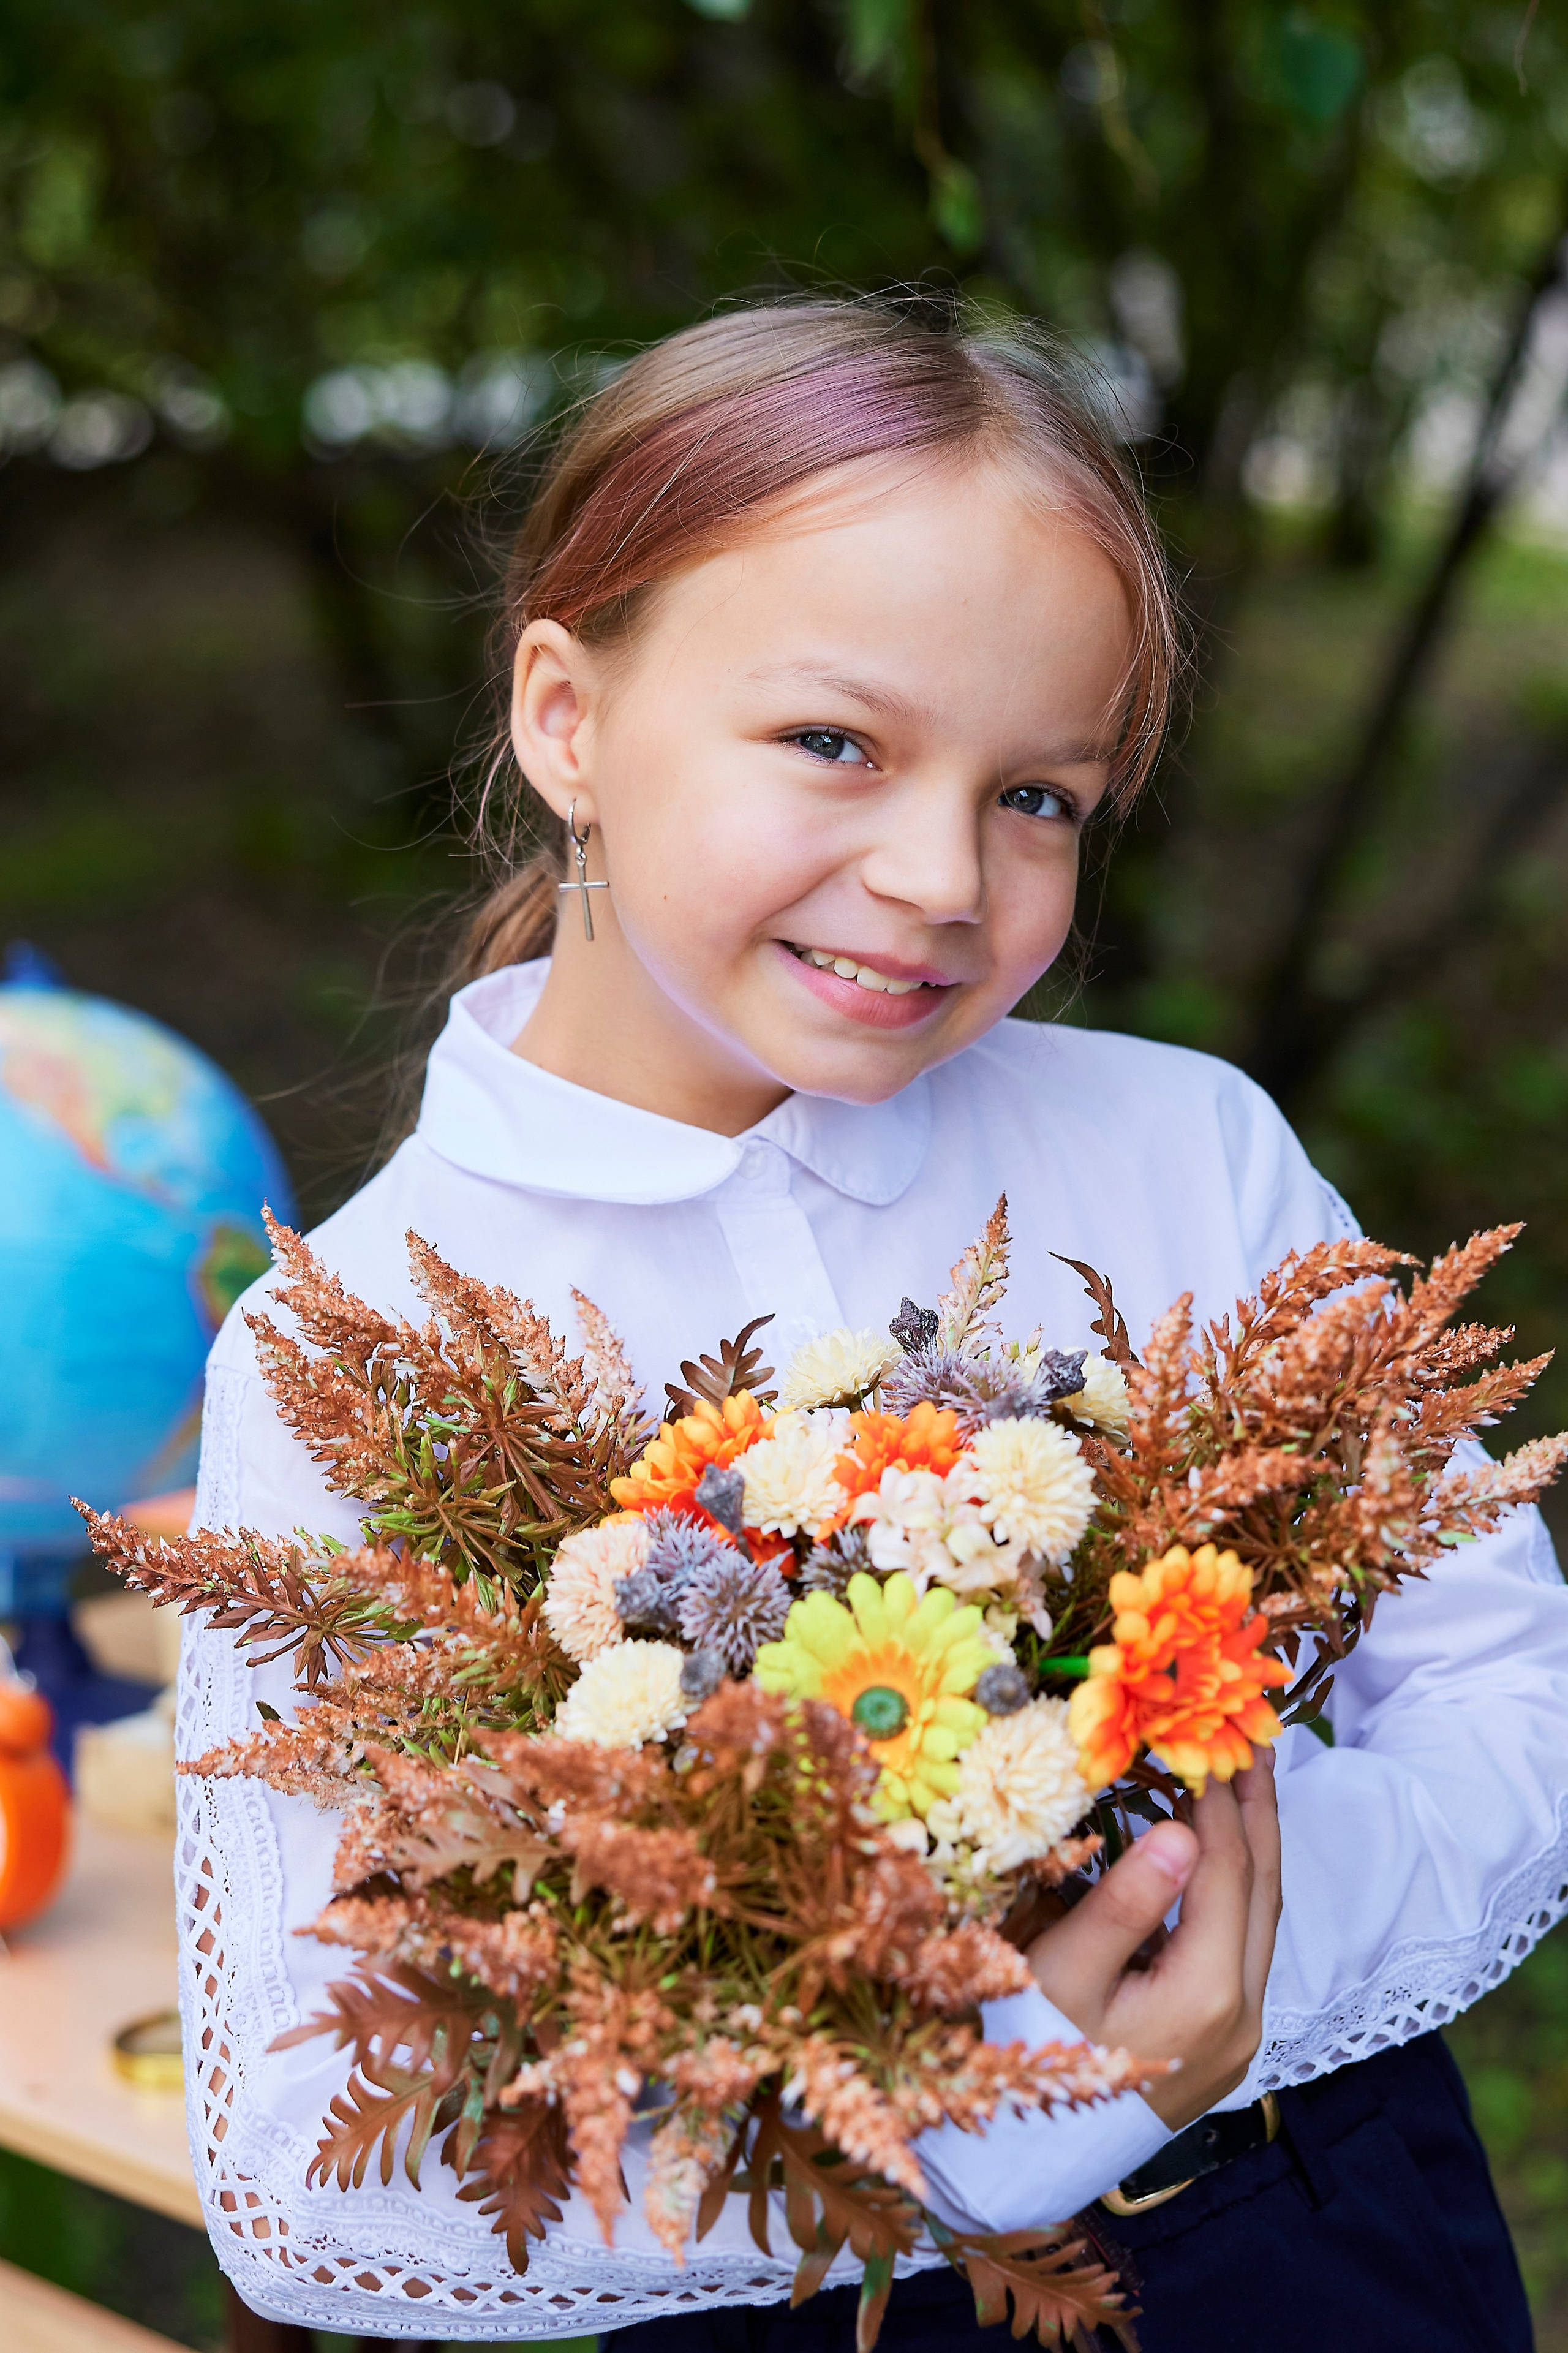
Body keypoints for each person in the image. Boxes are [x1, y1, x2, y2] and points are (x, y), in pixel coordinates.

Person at [181, 301, 1563, 2352]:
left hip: (1319, 2219)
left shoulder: (1187, 1152)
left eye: (1041, 796)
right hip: (797, 2305)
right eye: (836, 741)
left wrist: (1227, 1977)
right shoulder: (359, 1349)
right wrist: (929, 2139)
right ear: (568, 713)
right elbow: (304, 2175)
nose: (939, 877)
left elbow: (1507, 1691)